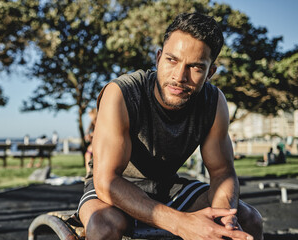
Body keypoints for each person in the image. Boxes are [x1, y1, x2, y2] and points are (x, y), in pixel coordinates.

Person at [76, 12, 263, 240]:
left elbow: (222, 172)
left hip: (168, 188)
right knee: (104, 226)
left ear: (209, 73)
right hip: (113, 189)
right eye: (172, 60)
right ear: (158, 58)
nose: (179, 76)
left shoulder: (214, 103)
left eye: (195, 67)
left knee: (248, 219)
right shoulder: (121, 93)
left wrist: (225, 217)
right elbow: (106, 181)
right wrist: (181, 224)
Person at [84, 108, 97, 174]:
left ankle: (89, 173)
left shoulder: (97, 121)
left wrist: (91, 134)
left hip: (97, 143)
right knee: (87, 155)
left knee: (88, 154)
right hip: (94, 142)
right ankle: (88, 172)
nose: (89, 116)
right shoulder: (92, 123)